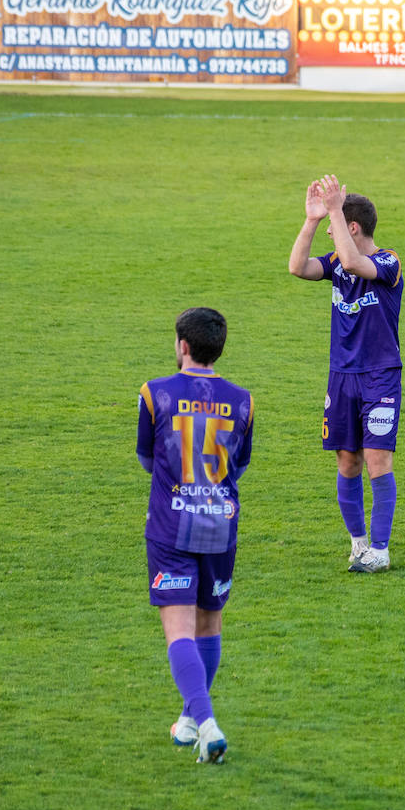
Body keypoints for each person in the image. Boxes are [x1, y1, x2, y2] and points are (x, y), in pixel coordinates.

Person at [138, 307, 254, 764]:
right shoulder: (243, 400)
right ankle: (189, 717)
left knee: (179, 632)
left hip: (171, 527)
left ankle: (206, 724)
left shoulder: (154, 394)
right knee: (209, 623)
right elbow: (240, 464)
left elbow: (148, 458)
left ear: (182, 346)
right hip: (220, 527)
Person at [288, 175, 403, 573]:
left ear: (352, 227)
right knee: (346, 462)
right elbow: (297, 267)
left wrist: (335, 208)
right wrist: (312, 220)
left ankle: (382, 550)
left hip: (379, 376)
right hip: (342, 376)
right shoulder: (336, 263)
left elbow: (355, 262)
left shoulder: (388, 262)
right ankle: (358, 545)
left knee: (376, 460)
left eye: (339, 222)